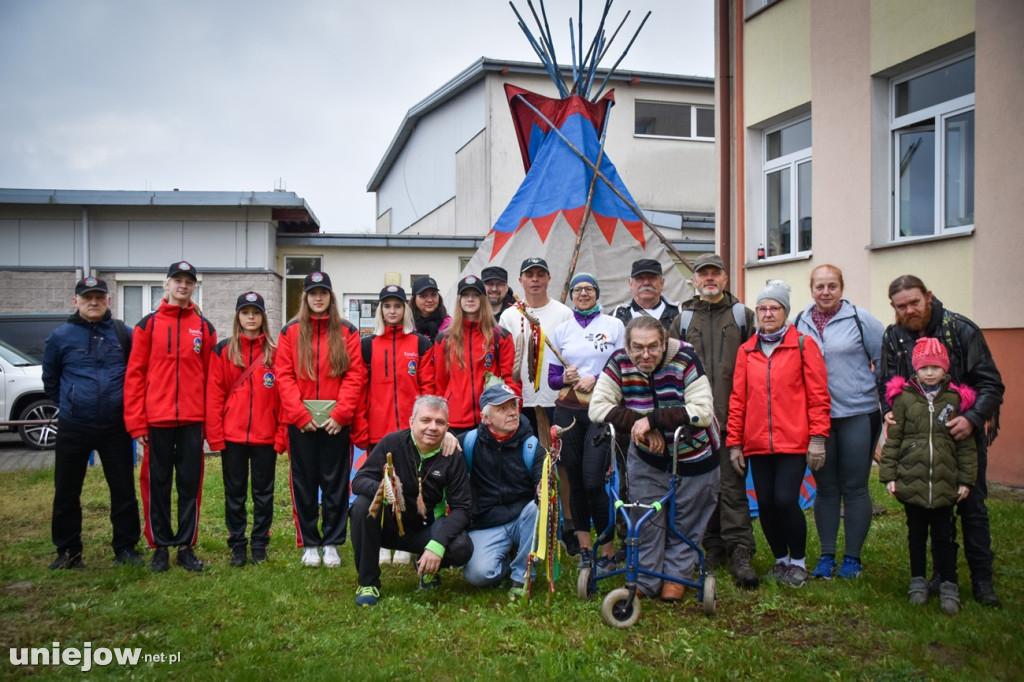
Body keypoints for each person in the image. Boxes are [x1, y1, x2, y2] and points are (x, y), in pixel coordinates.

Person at [879, 275, 1004, 607]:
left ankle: (982, 580)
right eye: (901, 306)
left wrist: (972, 418)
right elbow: (886, 382)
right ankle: (939, 576)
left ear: (928, 297)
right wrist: (888, 412)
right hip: (918, 444)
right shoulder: (894, 337)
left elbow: (991, 384)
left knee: (972, 506)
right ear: (893, 307)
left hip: (960, 437)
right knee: (929, 509)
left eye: (914, 302)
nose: (909, 310)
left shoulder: (961, 330)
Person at [589, 316, 720, 602]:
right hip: (648, 456)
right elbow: (597, 407)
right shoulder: (620, 362)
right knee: (645, 516)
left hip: (695, 454)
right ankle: (647, 579)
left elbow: (703, 410)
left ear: (664, 344)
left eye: (652, 347)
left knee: (686, 521)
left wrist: (654, 420)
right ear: (627, 345)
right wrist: (643, 425)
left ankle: (676, 577)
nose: (645, 355)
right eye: (637, 347)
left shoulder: (685, 359)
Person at [726, 280, 830, 588]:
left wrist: (818, 438)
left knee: (786, 500)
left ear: (785, 312)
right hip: (757, 442)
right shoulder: (747, 350)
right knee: (767, 504)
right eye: (762, 308)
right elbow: (738, 398)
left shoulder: (802, 344)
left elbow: (818, 394)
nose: (768, 313)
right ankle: (780, 559)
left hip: (793, 441)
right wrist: (734, 443)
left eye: (775, 308)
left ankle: (798, 562)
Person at [669, 253, 759, 588]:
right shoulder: (682, 320)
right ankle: (712, 545)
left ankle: (740, 550)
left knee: (732, 486)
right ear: (693, 279)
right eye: (703, 274)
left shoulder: (742, 316)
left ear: (725, 278)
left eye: (715, 273)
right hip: (694, 420)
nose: (709, 279)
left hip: (732, 416)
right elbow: (669, 365)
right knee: (699, 487)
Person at [793, 265, 885, 581]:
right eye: (820, 286)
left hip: (858, 414)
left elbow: (885, 359)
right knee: (826, 486)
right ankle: (827, 556)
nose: (826, 292)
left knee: (855, 485)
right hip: (817, 420)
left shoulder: (860, 320)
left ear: (841, 288)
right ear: (812, 289)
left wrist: (866, 388)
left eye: (832, 286)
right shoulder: (799, 322)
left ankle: (852, 560)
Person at [43, 277, 141, 569]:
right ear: (76, 302)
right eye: (88, 298)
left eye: (99, 297)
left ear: (109, 301)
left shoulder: (124, 334)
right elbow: (51, 381)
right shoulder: (60, 337)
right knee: (66, 491)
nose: (94, 302)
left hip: (115, 426)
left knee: (123, 490)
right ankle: (68, 551)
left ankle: (125, 548)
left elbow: (138, 374)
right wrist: (71, 403)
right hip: (75, 426)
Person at [124, 261, 216, 573]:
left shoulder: (204, 329)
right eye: (177, 280)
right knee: (156, 484)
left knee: (190, 484)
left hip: (192, 420)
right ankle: (160, 547)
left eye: (188, 281)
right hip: (157, 421)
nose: (183, 286)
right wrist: (137, 423)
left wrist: (208, 424)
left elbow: (210, 378)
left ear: (194, 287)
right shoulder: (147, 325)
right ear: (166, 285)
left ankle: (186, 546)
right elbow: (134, 377)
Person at [880, 338, 977, 615]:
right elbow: (893, 440)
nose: (930, 373)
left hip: (945, 483)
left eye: (936, 367)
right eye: (925, 368)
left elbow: (966, 446)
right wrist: (889, 475)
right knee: (916, 536)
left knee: (944, 538)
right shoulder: (904, 399)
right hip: (912, 480)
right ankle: (918, 583)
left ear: (945, 370)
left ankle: (948, 585)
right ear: (916, 370)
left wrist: (965, 480)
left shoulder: (955, 400)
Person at [276, 271, 367, 568]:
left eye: (323, 292)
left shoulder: (347, 331)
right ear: (306, 296)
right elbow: (284, 376)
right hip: (300, 423)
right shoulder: (290, 331)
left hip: (335, 423)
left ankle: (331, 542)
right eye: (313, 293)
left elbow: (354, 375)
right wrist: (299, 415)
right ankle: (310, 543)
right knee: (304, 482)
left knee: (335, 483)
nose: (318, 298)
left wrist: (341, 414)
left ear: (330, 296)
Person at [350, 395, 474, 606]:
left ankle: (425, 563)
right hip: (391, 527)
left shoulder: (452, 455)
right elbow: (359, 481)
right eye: (425, 420)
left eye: (440, 422)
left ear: (447, 427)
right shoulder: (392, 443)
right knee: (362, 506)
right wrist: (383, 488)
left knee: (462, 547)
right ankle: (368, 582)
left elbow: (463, 508)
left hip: (428, 530)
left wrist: (437, 545)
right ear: (411, 422)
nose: (432, 427)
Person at [546, 273, 625, 574]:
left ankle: (606, 549)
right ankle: (583, 550)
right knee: (575, 480)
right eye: (578, 290)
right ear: (571, 296)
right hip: (567, 411)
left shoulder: (613, 325)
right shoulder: (562, 330)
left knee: (594, 480)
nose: (583, 294)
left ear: (597, 293)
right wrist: (564, 377)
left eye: (588, 289)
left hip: (601, 409)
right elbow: (553, 379)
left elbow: (621, 365)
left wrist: (600, 377)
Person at [498, 257, 574, 548]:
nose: (535, 280)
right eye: (529, 275)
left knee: (561, 463)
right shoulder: (509, 316)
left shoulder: (563, 313)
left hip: (556, 399)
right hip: (521, 400)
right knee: (526, 463)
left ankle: (564, 524)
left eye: (540, 274)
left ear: (548, 278)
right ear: (520, 281)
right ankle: (531, 522)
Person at [359, 284, 435, 566]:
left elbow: (428, 390)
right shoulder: (366, 345)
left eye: (398, 306)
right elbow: (359, 391)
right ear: (380, 310)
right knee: (380, 487)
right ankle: (382, 539)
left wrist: (424, 425)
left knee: (410, 487)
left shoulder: (420, 344)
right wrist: (361, 428)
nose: (392, 311)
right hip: (377, 432)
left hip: (410, 432)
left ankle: (406, 540)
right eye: (387, 306)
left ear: (405, 310)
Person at [206, 291, 280, 567]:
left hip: (265, 434)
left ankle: (260, 542)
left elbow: (283, 396)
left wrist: (281, 432)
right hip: (232, 435)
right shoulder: (223, 351)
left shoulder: (275, 352)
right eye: (246, 312)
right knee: (234, 492)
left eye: (256, 312)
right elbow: (214, 395)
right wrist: (215, 435)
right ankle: (237, 543)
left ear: (262, 317)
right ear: (238, 316)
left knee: (264, 493)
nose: (251, 317)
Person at [461, 384, 543, 600]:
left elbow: (545, 479)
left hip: (522, 520)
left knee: (538, 508)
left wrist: (544, 486)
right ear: (486, 418)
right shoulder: (469, 442)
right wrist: (448, 439)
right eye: (503, 408)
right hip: (487, 522)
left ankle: (521, 575)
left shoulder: (532, 445)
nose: (512, 412)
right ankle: (508, 557)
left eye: (514, 405)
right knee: (478, 575)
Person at [435, 275, 517, 434]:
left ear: (483, 299)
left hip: (491, 418)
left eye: (475, 295)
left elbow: (511, 379)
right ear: (459, 300)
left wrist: (511, 411)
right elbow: (440, 383)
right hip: (455, 420)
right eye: (465, 295)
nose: (470, 299)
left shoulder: (500, 336)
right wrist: (439, 416)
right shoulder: (444, 338)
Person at [610, 258, 680, 329]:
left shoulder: (679, 315)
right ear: (630, 284)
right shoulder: (615, 317)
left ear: (662, 283)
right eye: (640, 278)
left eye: (652, 278)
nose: (646, 283)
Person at [410, 275, 451, 341]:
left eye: (434, 294)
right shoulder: (407, 326)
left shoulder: (450, 326)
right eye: (423, 296)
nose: (430, 300)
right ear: (414, 299)